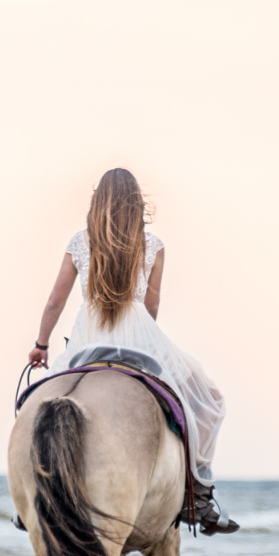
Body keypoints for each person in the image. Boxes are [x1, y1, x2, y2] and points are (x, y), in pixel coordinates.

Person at [27, 168, 238, 535]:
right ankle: (199, 495)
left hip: (86, 337)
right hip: (139, 335)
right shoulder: (152, 245)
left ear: (98, 201)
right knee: (209, 398)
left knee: (35, 405)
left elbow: (54, 302)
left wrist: (41, 345)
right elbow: (152, 308)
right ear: (137, 204)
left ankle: (30, 495)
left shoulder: (79, 241)